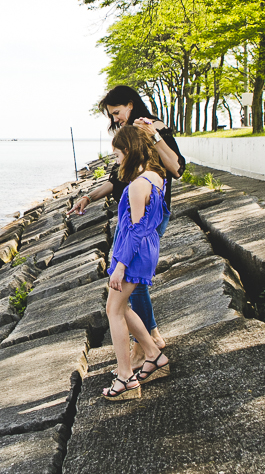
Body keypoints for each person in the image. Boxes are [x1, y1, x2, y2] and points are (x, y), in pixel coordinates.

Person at [68, 85, 185, 369]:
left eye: (117, 112)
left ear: (131, 105)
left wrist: (154, 136)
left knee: (133, 282)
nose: (116, 119)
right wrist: (88, 197)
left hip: (146, 217)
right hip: (129, 215)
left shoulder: (154, 128)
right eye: (112, 115)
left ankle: (148, 344)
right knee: (131, 285)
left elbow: (177, 169)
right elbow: (116, 179)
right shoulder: (126, 137)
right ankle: (148, 342)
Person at [103, 125, 170, 400]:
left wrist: (120, 265)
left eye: (118, 155)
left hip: (135, 252)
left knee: (113, 311)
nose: (117, 161)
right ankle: (153, 354)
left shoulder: (137, 185)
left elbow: (135, 229)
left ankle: (125, 376)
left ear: (128, 152)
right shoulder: (156, 176)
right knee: (121, 306)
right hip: (146, 249)